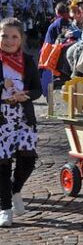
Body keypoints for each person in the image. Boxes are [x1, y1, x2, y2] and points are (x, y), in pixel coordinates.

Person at [0, 18, 42, 228]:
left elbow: (37, 89)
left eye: (14, 36)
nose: (9, 40)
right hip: (2, 118)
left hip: (23, 117)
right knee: (3, 164)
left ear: (21, 39)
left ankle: (15, 190)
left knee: (28, 160)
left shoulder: (27, 60)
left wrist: (27, 96)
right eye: (4, 36)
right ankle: (5, 208)